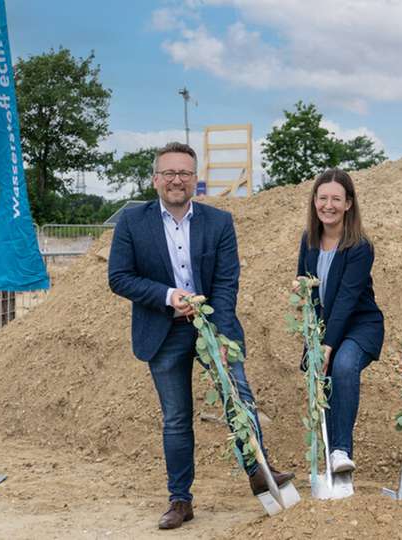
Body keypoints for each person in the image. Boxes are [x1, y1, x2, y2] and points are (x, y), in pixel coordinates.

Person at [108, 142, 293, 530]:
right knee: (176, 418)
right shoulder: (132, 222)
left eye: (184, 173)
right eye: (169, 173)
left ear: (195, 179)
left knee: (239, 400)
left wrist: (221, 337)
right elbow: (120, 277)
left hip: (212, 327)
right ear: (155, 179)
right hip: (162, 330)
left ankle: (259, 472)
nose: (176, 180)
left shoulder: (219, 222)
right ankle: (180, 500)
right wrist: (168, 296)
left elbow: (226, 283)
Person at [296, 168, 384, 474]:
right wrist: (313, 337)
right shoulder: (309, 239)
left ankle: (340, 450)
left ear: (348, 204)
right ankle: (332, 462)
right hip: (325, 326)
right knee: (324, 381)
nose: (328, 205)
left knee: (343, 365)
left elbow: (346, 300)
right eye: (322, 198)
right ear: (314, 201)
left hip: (360, 325)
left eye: (336, 199)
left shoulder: (360, 247)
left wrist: (327, 346)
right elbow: (305, 283)